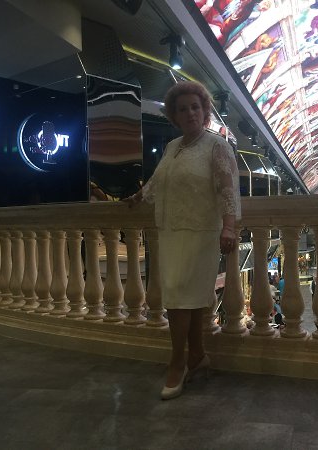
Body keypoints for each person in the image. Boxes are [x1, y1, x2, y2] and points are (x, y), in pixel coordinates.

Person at [123, 80, 241, 400]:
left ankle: (177, 363)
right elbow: (159, 181)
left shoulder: (217, 146)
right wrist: (139, 196)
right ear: (174, 116)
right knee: (187, 298)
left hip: (201, 232)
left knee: (177, 297)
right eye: (182, 109)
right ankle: (197, 355)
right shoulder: (172, 147)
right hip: (171, 230)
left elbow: (227, 189)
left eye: (195, 107)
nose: (190, 113)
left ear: (205, 111)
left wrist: (229, 228)